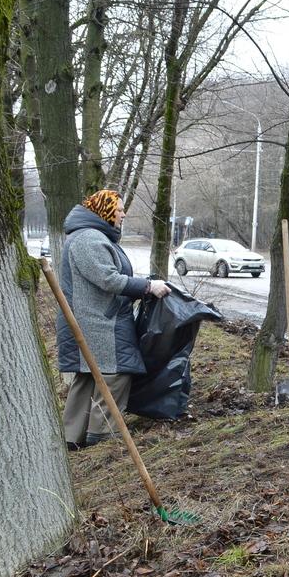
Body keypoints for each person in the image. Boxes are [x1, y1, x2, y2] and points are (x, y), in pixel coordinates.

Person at [58, 190, 170, 448]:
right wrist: (147, 287)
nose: (123, 213)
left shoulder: (92, 236)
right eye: (118, 209)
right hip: (100, 323)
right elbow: (107, 279)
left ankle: (72, 438)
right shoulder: (89, 239)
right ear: (104, 211)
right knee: (115, 375)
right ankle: (102, 438)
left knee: (88, 378)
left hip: (96, 319)